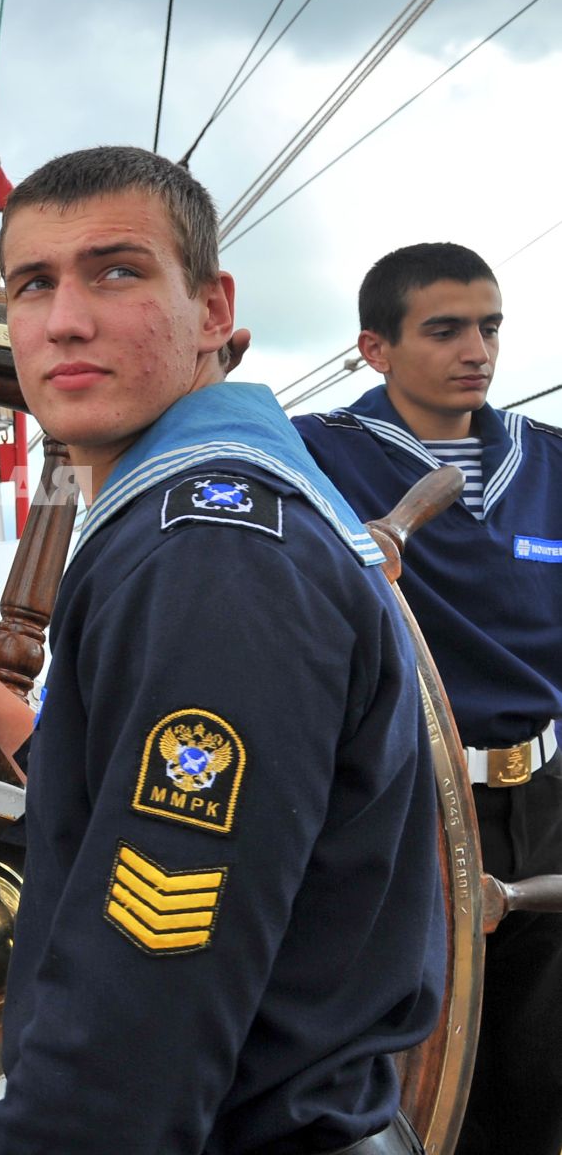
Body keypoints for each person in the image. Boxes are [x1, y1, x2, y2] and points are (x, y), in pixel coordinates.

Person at [0, 146, 444, 1154]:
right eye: (32, 285)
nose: (66, 319)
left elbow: (151, 975)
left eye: (117, 271)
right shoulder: (214, 513)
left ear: (215, 310)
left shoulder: (210, 554)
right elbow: (153, 802)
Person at [293, 243, 562, 1155]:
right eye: (444, 330)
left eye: (488, 327)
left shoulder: (552, 463)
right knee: (418, 1074)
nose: (475, 349)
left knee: (540, 1073)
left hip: (546, 803)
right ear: (373, 348)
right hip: (405, 803)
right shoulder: (312, 456)